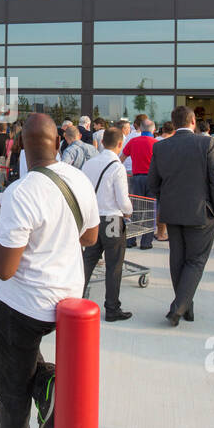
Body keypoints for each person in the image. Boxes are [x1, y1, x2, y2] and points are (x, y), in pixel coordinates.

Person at [0, 114, 98, 428]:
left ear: (21, 148)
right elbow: (90, 236)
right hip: (68, 300)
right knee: (22, 368)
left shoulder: (21, 191)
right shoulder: (79, 179)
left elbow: (4, 268)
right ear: (59, 142)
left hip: (21, 306)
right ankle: (48, 383)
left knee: (11, 388)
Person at [149, 106, 214, 325]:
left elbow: (153, 183)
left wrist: (169, 198)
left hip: (172, 211)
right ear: (193, 121)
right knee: (195, 260)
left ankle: (185, 306)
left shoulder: (161, 147)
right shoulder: (206, 143)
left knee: (178, 260)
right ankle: (178, 307)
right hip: (201, 212)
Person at [80, 127, 133, 323]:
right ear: (120, 144)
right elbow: (122, 200)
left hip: (93, 219)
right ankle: (112, 308)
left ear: (102, 143)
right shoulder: (117, 166)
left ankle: (75, 297)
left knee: (88, 260)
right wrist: (129, 210)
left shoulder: (89, 164)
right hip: (112, 218)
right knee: (114, 264)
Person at [121, 119, 157, 250]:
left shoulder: (133, 141)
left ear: (140, 129)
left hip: (136, 178)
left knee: (134, 209)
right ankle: (146, 242)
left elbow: (122, 158)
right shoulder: (156, 143)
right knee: (150, 210)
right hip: (152, 179)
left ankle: (131, 240)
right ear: (153, 129)